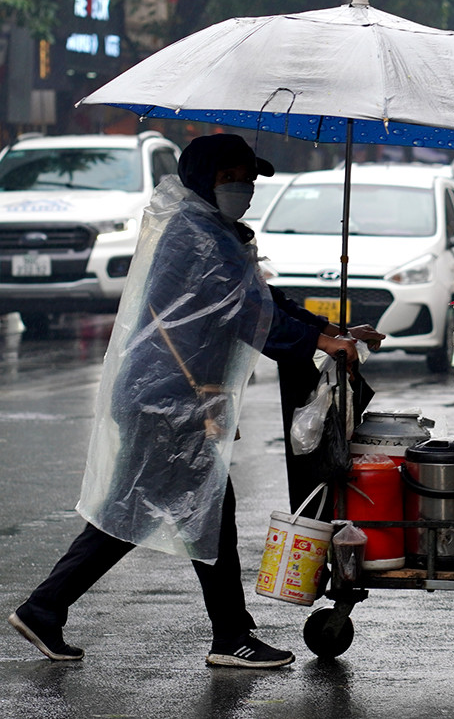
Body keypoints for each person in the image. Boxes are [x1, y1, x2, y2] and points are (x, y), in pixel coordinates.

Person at [7, 133, 384, 669]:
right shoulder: (196, 235)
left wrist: (329, 328)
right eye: (234, 179)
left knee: (167, 512)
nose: (245, 189)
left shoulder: (215, 233)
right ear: (205, 179)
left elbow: (261, 300)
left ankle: (48, 609)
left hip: (172, 398)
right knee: (194, 512)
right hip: (167, 400)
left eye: (250, 180)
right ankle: (227, 635)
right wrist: (319, 342)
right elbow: (242, 313)